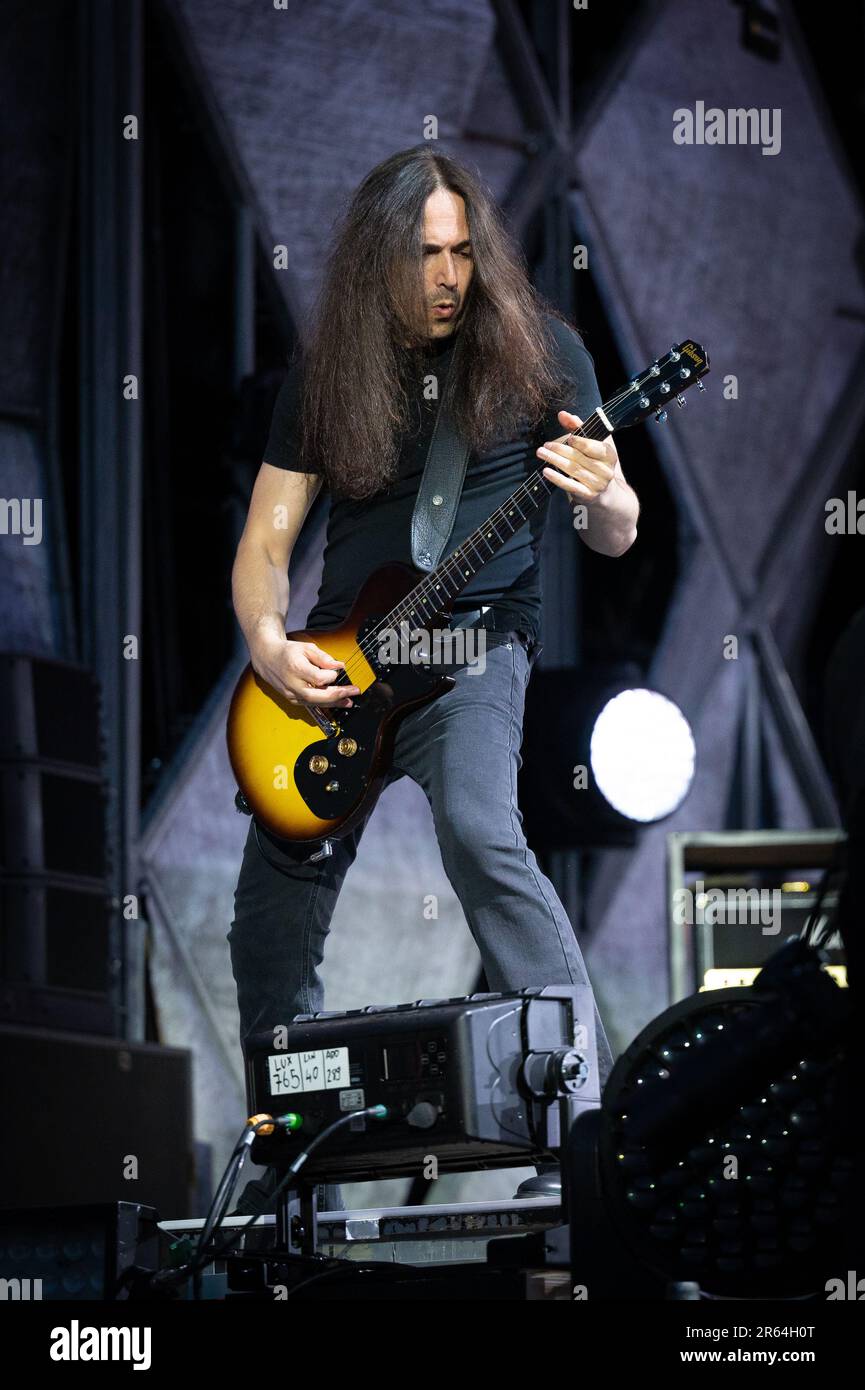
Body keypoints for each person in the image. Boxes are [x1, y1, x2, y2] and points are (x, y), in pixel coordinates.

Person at [228, 146, 639, 1211]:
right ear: (381, 260)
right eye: (425, 255)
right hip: (337, 664)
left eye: (463, 251)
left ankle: (580, 1125)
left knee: (477, 827)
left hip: (470, 652)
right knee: (267, 920)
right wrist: (271, 647)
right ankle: (289, 1182)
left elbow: (613, 529)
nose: (449, 274)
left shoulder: (542, 353)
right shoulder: (333, 372)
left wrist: (601, 494)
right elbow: (266, 544)